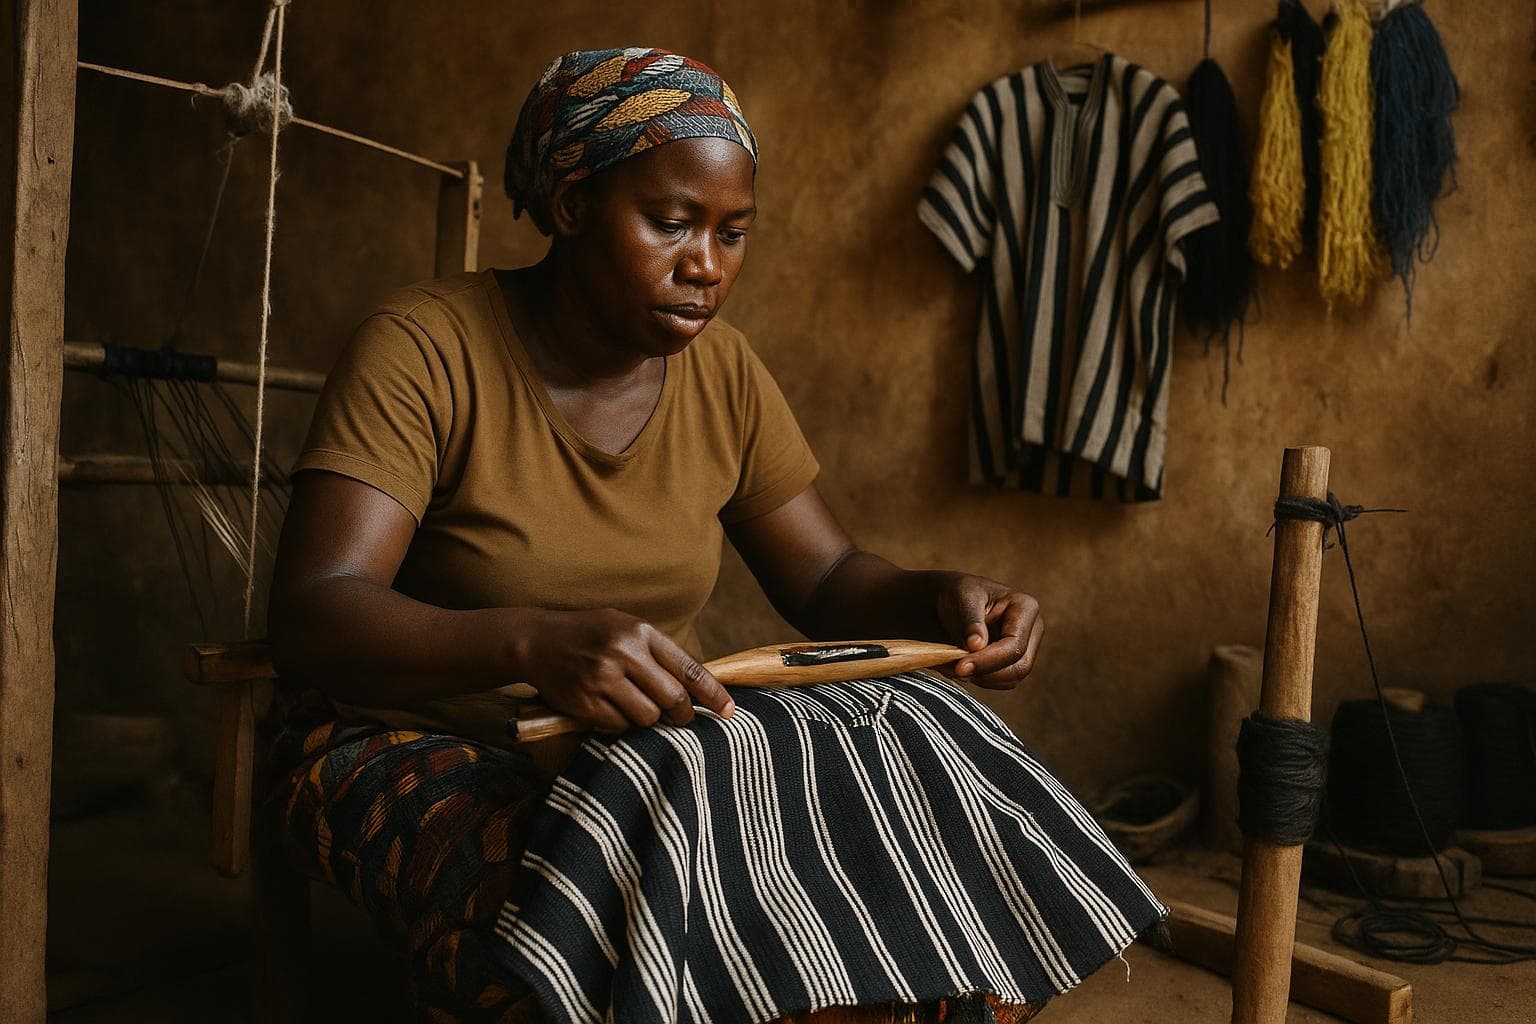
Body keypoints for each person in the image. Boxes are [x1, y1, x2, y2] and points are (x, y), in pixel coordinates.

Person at [267, 48, 1122, 1024]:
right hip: (402, 734)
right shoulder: (427, 347)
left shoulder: (726, 375)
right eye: (670, 222)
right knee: (574, 915)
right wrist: (531, 642)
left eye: (732, 232)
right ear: (573, 204)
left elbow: (832, 577)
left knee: (898, 831)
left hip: (632, 748)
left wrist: (940, 594)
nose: (706, 264)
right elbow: (316, 610)